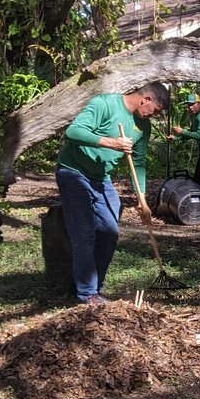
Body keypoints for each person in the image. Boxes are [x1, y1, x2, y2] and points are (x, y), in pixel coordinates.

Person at [56, 83, 169, 304]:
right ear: (145, 99)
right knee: (84, 235)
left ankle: (94, 287)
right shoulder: (105, 104)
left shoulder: (143, 127)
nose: (153, 116)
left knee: (109, 231)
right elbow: (73, 132)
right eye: (155, 111)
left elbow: (138, 164)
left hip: (101, 179)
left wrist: (142, 200)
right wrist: (111, 143)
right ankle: (87, 294)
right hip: (74, 173)